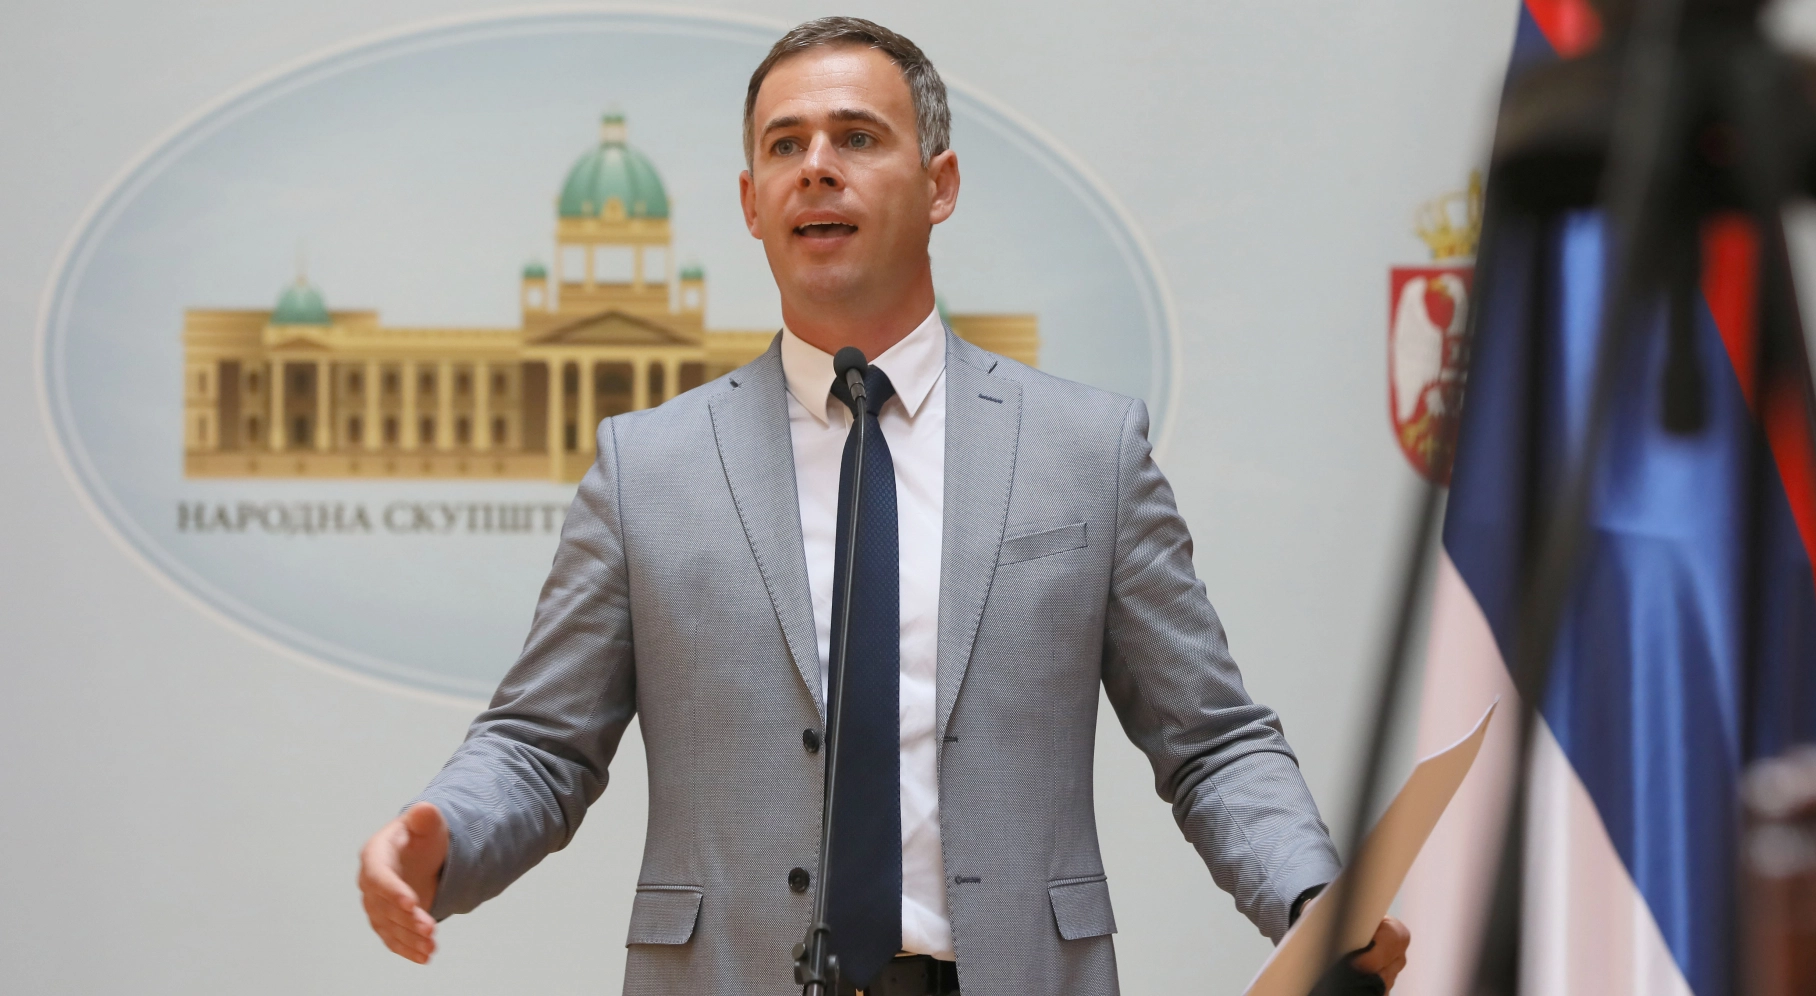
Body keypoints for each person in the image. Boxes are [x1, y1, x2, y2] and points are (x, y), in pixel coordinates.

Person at [356, 16, 1408, 995]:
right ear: (751, 203)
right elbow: (542, 744)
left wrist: (1314, 898)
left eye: (856, 137)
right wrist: (439, 831)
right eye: (785, 145)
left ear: (939, 184)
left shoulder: (1087, 452)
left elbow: (1209, 740)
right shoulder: (647, 469)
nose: (816, 165)